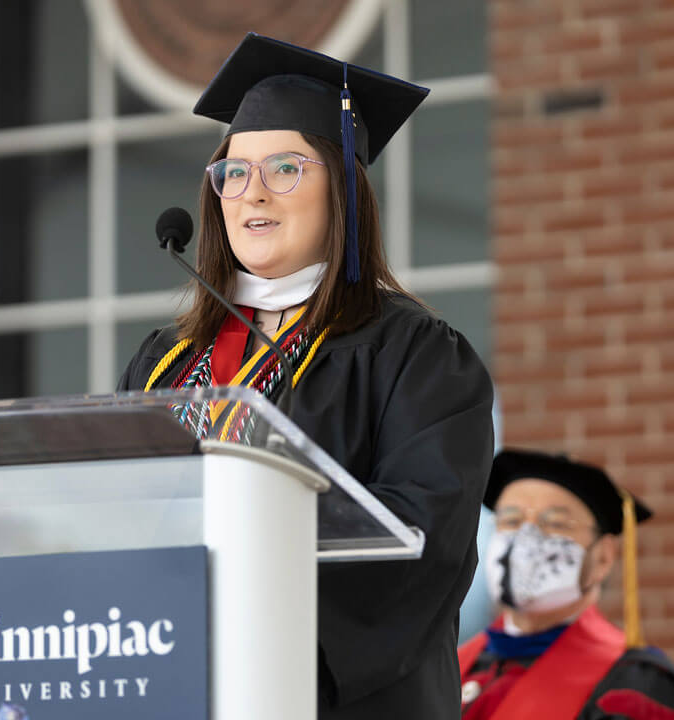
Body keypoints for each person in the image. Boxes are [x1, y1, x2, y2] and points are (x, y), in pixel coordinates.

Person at [118, 33, 494, 719]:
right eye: (233, 172)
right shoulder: (165, 361)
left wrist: (251, 620)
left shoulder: (413, 354)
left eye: (285, 168)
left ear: (344, 187)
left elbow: (422, 542)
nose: (252, 193)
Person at [458, 449, 674, 719]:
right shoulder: (452, 667)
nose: (526, 537)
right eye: (511, 521)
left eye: (555, 524)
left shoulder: (634, 686)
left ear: (603, 557)